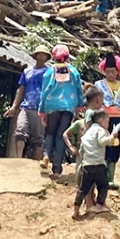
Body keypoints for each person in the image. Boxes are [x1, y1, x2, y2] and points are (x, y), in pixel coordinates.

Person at [39, 44, 83, 178]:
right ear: (67, 56)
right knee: (61, 135)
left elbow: (44, 92)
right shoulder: (74, 71)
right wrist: (79, 106)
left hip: (52, 105)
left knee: (50, 133)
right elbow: (79, 90)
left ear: (53, 57)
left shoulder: (49, 72)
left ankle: (46, 156)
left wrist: (42, 110)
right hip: (68, 106)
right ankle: (57, 169)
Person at [74, 103, 120, 219]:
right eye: (107, 122)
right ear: (101, 120)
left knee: (83, 189)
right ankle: (100, 205)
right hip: (98, 164)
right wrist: (112, 137)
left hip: (87, 165)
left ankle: (75, 210)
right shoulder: (100, 130)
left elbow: (82, 149)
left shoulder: (88, 132)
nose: (108, 124)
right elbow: (102, 142)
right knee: (103, 185)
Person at [6, 45, 51, 159]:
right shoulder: (27, 72)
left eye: (43, 54)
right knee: (20, 131)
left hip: (41, 108)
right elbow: (21, 89)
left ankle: (35, 163)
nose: (41, 56)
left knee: (38, 138)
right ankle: (18, 159)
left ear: (46, 57)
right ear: (35, 56)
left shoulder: (49, 73)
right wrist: (14, 106)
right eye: (39, 53)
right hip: (26, 107)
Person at [94, 54, 120, 188]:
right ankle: (101, 178)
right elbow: (94, 102)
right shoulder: (98, 85)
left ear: (118, 72)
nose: (110, 74)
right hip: (103, 120)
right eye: (108, 71)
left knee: (115, 146)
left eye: (113, 71)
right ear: (104, 71)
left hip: (119, 121)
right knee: (102, 145)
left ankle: (111, 178)